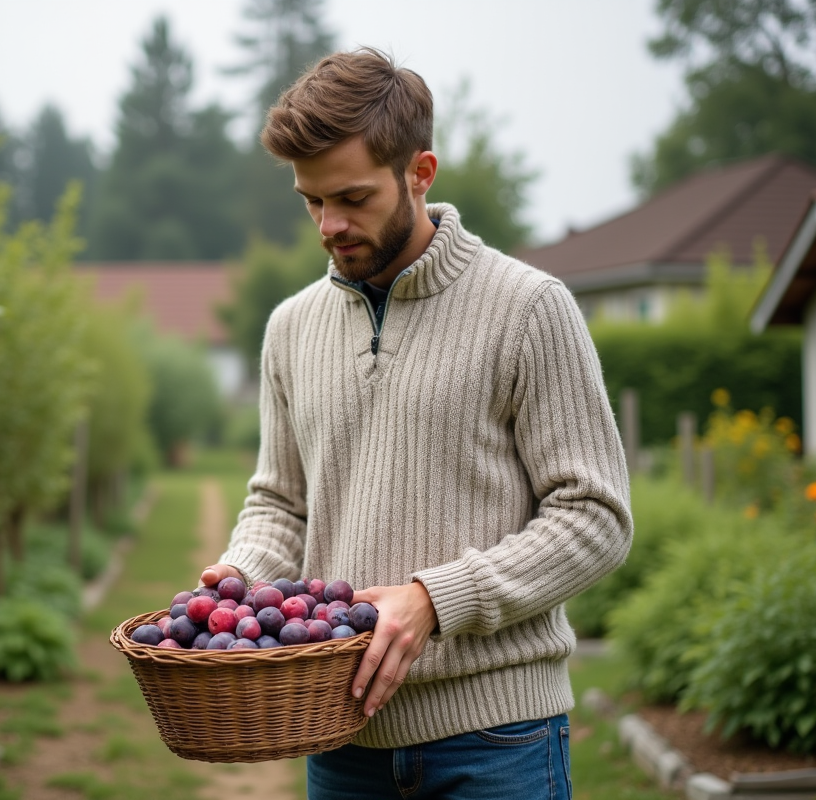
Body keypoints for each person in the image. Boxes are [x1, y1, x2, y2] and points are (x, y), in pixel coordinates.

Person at [199, 48, 633, 799]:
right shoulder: (290, 329)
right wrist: (239, 583)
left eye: (353, 198)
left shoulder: (529, 308)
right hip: (339, 741)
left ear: (420, 173)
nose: (329, 225)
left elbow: (595, 517)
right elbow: (281, 504)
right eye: (311, 201)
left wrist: (435, 600)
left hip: (499, 743)